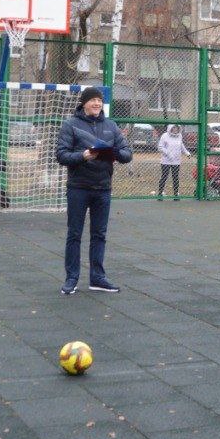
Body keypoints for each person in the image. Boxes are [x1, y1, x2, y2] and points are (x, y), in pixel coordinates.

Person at [55, 87, 133, 294]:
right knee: (74, 234)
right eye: (92, 100)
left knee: (99, 234)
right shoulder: (71, 125)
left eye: (99, 100)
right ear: (83, 103)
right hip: (78, 188)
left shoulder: (111, 126)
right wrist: (83, 156)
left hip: (103, 188)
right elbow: (62, 155)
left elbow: (127, 153)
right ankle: (71, 278)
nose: (97, 104)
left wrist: (113, 152)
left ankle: (97, 278)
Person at [156, 125, 189, 201]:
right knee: (164, 177)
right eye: (173, 128)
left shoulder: (179, 136)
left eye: (177, 128)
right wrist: (168, 153)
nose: (175, 130)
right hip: (166, 161)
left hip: (176, 161)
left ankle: (176, 195)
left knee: (175, 178)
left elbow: (181, 145)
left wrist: (186, 152)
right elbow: (160, 147)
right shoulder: (165, 136)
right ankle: (160, 194)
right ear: (170, 128)